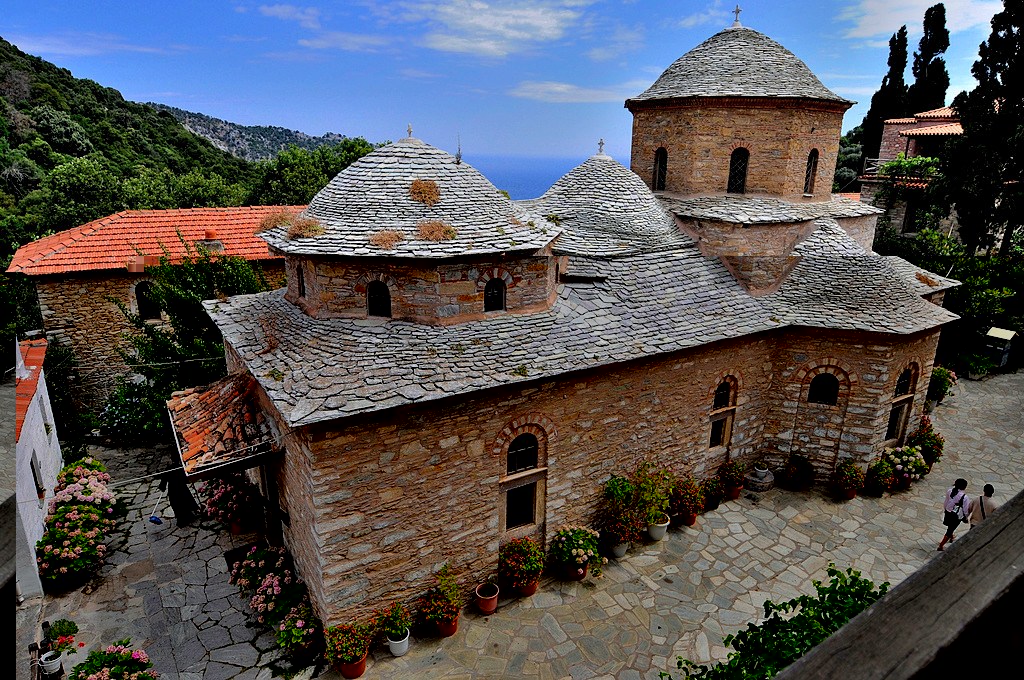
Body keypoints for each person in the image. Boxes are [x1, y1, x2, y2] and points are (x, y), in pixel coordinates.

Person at [938, 478, 969, 551]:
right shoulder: (964, 497)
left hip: (948, 512)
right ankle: (941, 545)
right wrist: (966, 517)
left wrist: (946, 509)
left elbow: (946, 501)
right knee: (950, 529)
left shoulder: (950, 491)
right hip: (956, 516)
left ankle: (951, 537)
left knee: (950, 526)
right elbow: (965, 509)